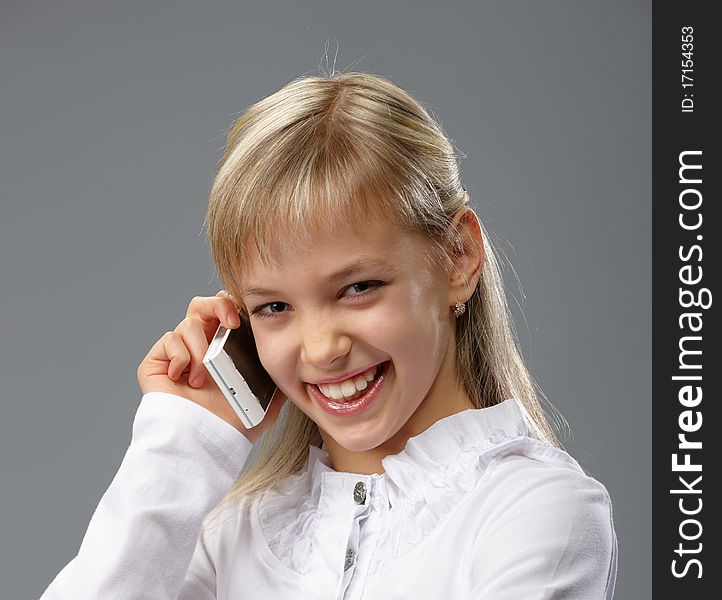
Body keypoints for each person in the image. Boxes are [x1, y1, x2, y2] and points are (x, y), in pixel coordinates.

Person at [41, 72, 617, 599]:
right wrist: (184, 443)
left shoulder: (536, 511)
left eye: (359, 287)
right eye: (273, 306)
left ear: (458, 255)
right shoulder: (232, 539)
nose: (321, 349)